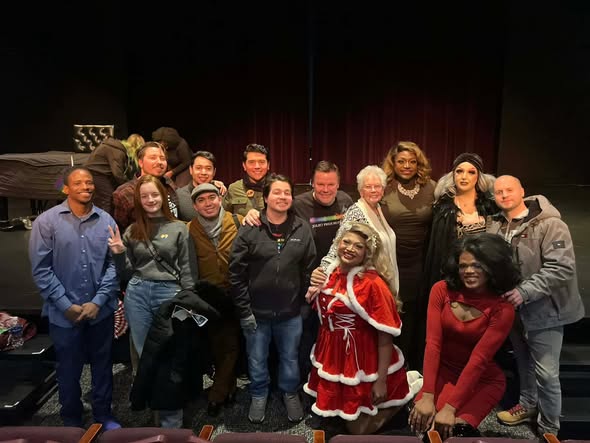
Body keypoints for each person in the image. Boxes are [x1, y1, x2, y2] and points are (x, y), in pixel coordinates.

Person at [489, 175, 584, 436]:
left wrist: (524, 291)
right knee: (523, 362)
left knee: (547, 373)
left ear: (522, 191)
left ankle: (549, 429)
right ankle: (527, 405)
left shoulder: (550, 224)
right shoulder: (495, 225)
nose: (504, 195)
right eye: (498, 192)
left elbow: (561, 268)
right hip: (513, 309)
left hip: (546, 310)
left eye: (509, 190)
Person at [241, 160, 354, 382]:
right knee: (303, 338)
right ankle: (301, 382)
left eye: (331, 184)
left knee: (332, 335)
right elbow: (273, 213)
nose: (325, 189)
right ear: (312, 183)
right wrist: (252, 213)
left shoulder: (346, 201)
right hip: (306, 280)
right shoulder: (298, 204)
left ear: (338, 184)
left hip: (337, 281)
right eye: (320, 184)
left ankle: (325, 380)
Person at [304, 223, 418, 435]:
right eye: (346, 242)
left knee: (357, 431)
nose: (350, 248)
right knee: (335, 417)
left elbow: (385, 337)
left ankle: (407, 393)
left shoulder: (373, 284)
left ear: (367, 253)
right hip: (332, 351)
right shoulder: (330, 272)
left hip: (362, 359)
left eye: (358, 246)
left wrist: (381, 381)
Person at [29, 167, 121, 430]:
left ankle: (103, 415)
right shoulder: (46, 222)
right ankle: (71, 417)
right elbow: (41, 270)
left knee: (103, 366)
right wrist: (65, 304)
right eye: (78, 183)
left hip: (100, 312)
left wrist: (98, 301)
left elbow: (114, 266)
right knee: (68, 369)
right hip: (63, 314)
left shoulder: (107, 220)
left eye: (89, 182)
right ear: (66, 188)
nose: (85, 187)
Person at [409, 233, 520, 440]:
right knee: (426, 428)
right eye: (463, 266)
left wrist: (450, 408)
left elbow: (479, 360)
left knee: (454, 432)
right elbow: (432, 344)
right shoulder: (441, 290)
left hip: (482, 379)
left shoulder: (503, 309)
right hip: (443, 371)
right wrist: (428, 395)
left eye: (477, 265)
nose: (468, 271)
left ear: (493, 267)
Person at [108, 174, 198, 428]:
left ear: (163, 197)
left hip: (170, 294)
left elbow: (189, 271)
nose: (150, 200)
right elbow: (126, 273)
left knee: (169, 356)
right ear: (138, 200)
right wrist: (118, 253)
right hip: (137, 293)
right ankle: (155, 411)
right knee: (145, 355)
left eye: (154, 194)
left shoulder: (179, 228)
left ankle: (172, 419)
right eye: (144, 196)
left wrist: (188, 302)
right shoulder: (132, 230)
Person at [229, 173, 316, 424]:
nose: (282, 197)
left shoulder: (302, 228)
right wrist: (244, 311)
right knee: (256, 359)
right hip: (256, 313)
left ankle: (290, 392)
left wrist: (304, 306)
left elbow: (309, 269)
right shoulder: (250, 227)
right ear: (265, 198)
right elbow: (236, 273)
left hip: (290, 313)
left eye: (287, 192)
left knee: (290, 358)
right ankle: (259, 393)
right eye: (276, 192)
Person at [187, 183, 242, 416]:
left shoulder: (238, 221)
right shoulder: (188, 229)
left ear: (220, 199)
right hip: (206, 296)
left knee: (230, 344)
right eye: (201, 200)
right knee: (216, 345)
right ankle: (228, 387)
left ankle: (218, 393)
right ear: (194, 206)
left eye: (212, 197)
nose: (208, 203)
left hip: (235, 293)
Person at [380, 141, 436, 369]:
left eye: (412, 162)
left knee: (413, 315)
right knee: (388, 314)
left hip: (418, 263)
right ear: (393, 163)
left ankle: (410, 369)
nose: (407, 166)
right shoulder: (383, 186)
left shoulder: (431, 187)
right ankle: (387, 367)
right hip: (389, 263)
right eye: (401, 161)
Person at [311, 165, 399, 296]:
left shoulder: (380, 209)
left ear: (383, 189)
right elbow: (337, 247)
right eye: (368, 187)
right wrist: (322, 272)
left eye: (377, 186)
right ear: (361, 190)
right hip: (365, 284)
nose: (373, 190)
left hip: (382, 279)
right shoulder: (355, 213)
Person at [113, 141, 179, 232]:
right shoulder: (125, 193)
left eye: (162, 158)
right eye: (153, 158)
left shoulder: (170, 184)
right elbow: (120, 229)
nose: (159, 162)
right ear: (141, 162)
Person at [84, 134, 145, 214]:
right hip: (97, 174)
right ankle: (106, 221)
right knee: (108, 199)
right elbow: (117, 174)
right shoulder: (118, 151)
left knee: (102, 199)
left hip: (95, 173)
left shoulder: (115, 148)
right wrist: (129, 185)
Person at [177, 151, 227, 221]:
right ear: (191, 170)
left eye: (208, 168)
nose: (203, 172)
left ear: (214, 172)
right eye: (198, 168)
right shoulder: (178, 196)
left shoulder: (222, 192)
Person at [223, 143, 270, 216]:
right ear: (244, 166)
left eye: (261, 162)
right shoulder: (234, 188)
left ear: (268, 165)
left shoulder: (278, 187)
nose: (257, 166)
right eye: (251, 162)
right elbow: (224, 217)